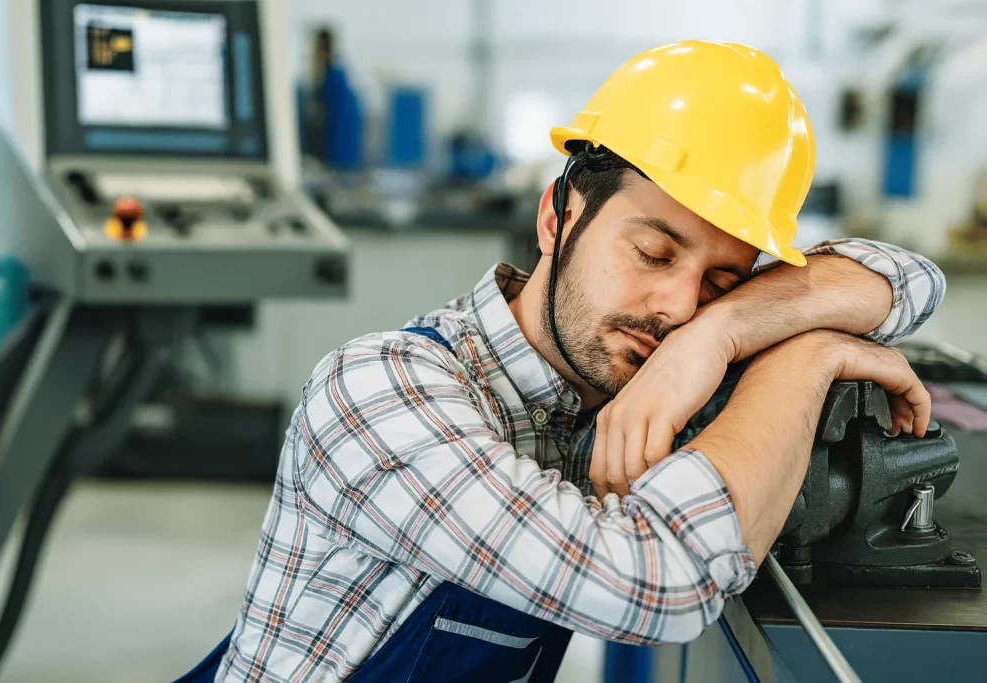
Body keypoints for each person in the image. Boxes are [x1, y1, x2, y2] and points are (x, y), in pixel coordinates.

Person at [206, 41, 945, 682]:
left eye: (719, 281)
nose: (676, 306)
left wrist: (723, 331)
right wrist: (807, 356)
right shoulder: (378, 391)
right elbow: (656, 586)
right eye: (653, 252)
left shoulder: (614, 385)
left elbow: (912, 278)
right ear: (557, 218)